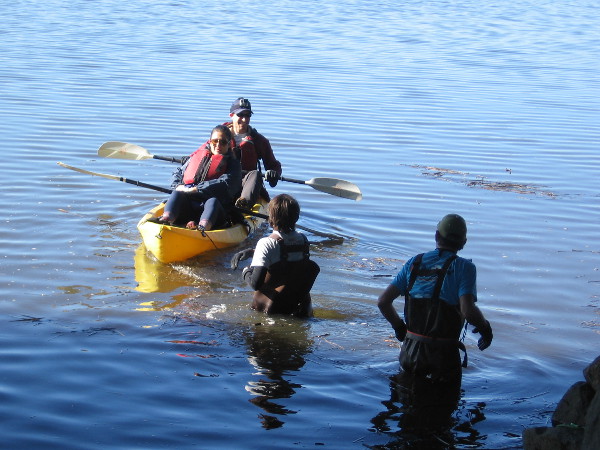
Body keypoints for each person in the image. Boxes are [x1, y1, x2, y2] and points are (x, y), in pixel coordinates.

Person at [377, 214, 493, 386]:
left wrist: (400, 328)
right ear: (464, 242)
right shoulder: (464, 267)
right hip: (443, 358)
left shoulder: (414, 263)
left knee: (405, 403)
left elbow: (383, 302)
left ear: (437, 236)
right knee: (443, 407)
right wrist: (485, 329)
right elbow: (468, 311)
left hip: (410, 353)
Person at [231, 194, 320, 317]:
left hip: (271, 312)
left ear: (271, 218)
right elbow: (290, 262)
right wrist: (253, 252)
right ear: (296, 217)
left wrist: (246, 270)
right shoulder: (303, 240)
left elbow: (255, 283)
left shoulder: (266, 243)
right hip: (300, 309)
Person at [156, 124, 241, 231]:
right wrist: (179, 186)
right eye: (215, 141)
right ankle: (166, 219)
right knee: (177, 193)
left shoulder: (234, 164)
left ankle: (201, 228)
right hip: (189, 206)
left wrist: (197, 189)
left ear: (229, 145)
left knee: (212, 201)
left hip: (214, 212)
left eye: (223, 142)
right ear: (210, 142)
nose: (218, 145)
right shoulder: (198, 157)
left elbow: (227, 184)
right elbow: (177, 173)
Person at [225, 97, 282, 209]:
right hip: (223, 182)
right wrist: (190, 159)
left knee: (255, 174)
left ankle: (243, 205)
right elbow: (203, 153)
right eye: (241, 115)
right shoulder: (219, 137)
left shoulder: (259, 141)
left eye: (248, 115)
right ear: (231, 115)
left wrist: (274, 173)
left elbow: (274, 165)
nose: (245, 119)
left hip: (247, 185)